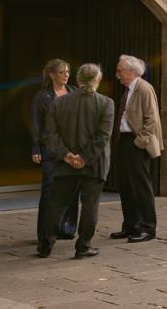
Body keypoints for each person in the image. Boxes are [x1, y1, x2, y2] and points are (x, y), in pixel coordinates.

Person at [39, 63, 113, 259]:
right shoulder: (106, 103)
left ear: (77, 79)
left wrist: (66, 155)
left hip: (65, 163)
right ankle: (83, 247)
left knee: (56, 205)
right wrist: (84, 158)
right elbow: (103, 137)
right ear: (99, 79)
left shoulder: (59, 102)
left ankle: (46, 246)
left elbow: (50, 134)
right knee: (90, 206)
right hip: (94, 163)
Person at [109, 54, 162, 243]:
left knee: (141, 187)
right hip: (123, 141)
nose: (117, 75)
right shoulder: (128, 90)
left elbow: (152, 120)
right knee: (126, 187)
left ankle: (148, 228)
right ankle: (131, 226)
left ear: (131, 71)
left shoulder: (144, 89)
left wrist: (139, 142)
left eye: (120, 71)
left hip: (137, 143)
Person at [30, 59, 79, 244]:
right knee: (49, 190)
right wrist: (35, 147)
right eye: (61, 72)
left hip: (71, 149)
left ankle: (66, 228)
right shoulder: (42, 96)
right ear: (52, 75)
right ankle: (45, 231)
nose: (66, 75)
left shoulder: (74, 92)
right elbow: (35, 123)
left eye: (68, 71)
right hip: (50, 148)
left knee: (71, 189)